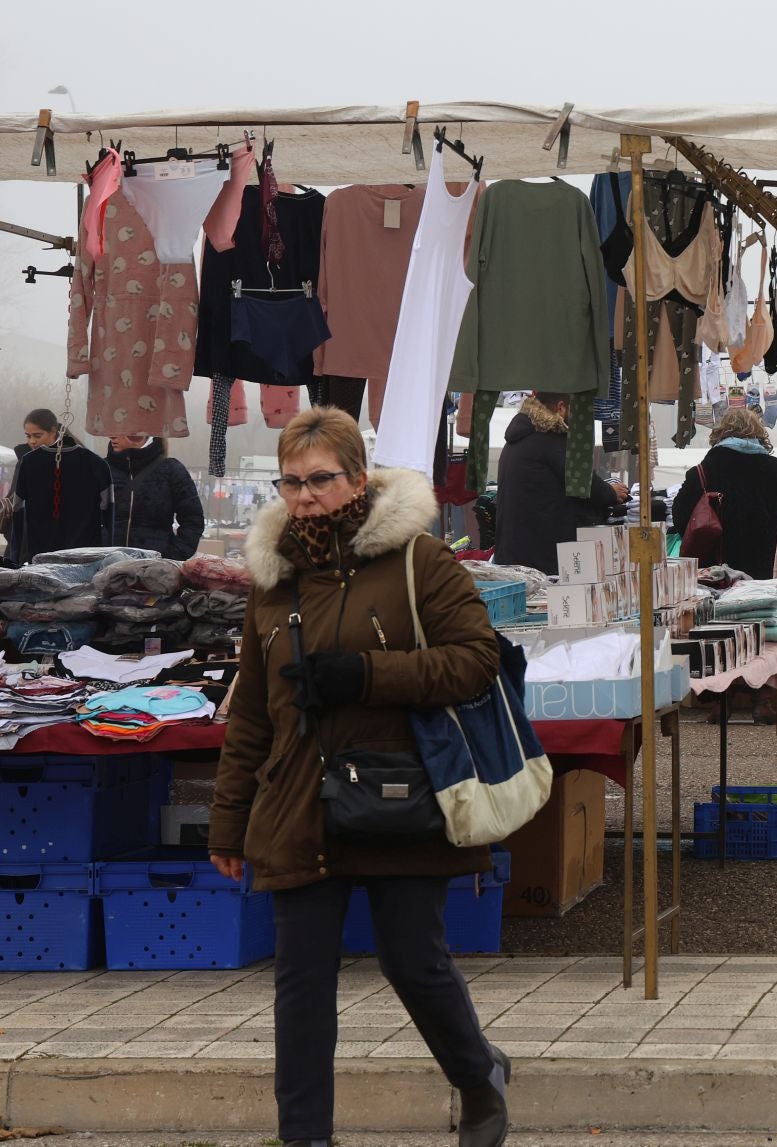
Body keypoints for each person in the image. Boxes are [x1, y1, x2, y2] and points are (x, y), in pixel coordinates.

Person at [209, 408, 512, 1147]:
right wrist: (228, 818)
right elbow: (251, 708)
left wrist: (365, 675)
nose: (305, 495)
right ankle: (304, 1135)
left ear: (356, 479)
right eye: (291, 480)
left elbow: (478, 660)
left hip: (396, 793)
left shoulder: (418, 561)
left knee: (412, 960)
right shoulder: (272, 579)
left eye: (320, 479)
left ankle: (479, 1077)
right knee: (300, 978)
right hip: (297, 801)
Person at [491, 392, 629, 575]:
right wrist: (610, 492)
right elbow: (582, 481)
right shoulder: (550, 438)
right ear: (561, 408)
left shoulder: (521, 438)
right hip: (540, 558)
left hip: (515, 553)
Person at [672, 408, 777, 579]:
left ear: (721, 432)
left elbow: (681, 518)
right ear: (759, 433)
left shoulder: (703, 471)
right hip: (765, 569)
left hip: (717, 572)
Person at [4, 408, 110, 566]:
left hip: (72, 548)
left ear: (53, 432)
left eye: (37, 435)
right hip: (31, 547)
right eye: (28, 436)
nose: (32, 441)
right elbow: (17, 507)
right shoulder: (26, 462)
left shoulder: (85, 463)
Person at [104, 432, 205, 560]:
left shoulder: (170, 470)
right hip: (104, 566)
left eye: (122, 429)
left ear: (140, 433)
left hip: (154, 571)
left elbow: (193, 519)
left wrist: (171, 558)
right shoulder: (101, 469)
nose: (111, 435)